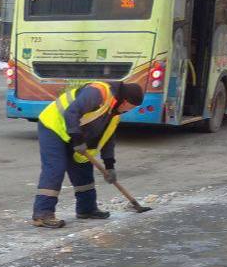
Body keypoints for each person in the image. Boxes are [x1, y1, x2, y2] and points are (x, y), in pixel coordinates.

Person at [32, 81, 145, 228]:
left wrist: (109, 165)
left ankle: (87, 209)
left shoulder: (114, 113)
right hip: (53, 127)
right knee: (55, 168)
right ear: (125, 101)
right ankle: (43, 213)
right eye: (132, 107)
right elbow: (71, 112)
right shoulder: (98, 92)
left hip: (73, 133)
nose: (130, 110)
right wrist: (78, 139)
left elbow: (107, 138)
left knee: (83, 168)